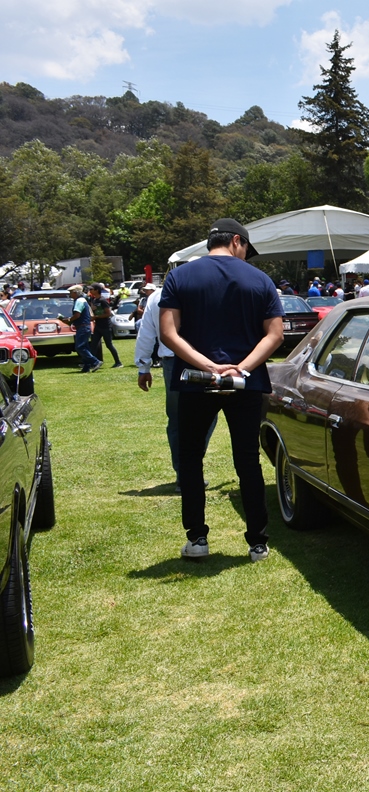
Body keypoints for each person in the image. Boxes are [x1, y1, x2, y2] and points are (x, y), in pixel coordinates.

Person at [159, 218, 284, 563]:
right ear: (236, 242)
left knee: (190, 458)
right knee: (247, 460)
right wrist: (241, 367)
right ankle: (258, 542)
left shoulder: (179, 276)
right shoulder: (260, 279)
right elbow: (274, 334)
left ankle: (197, 538)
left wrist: (208, 367)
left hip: (196, 382)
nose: (245, 255)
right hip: (245, 382)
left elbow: (168, 332)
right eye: (246, 248)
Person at [135, 284, 216, 491]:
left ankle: (186, 470)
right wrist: (143, 365)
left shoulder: (158, 296)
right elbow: (147, 331)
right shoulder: (205, 289)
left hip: (179, 362)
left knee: (181, 419)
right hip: (200, 360)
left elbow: (146, 332)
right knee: (201, 416)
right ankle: (187, 470)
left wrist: (143, 366)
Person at [58, 285, 102, 373]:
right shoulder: (82, 300)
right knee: (84, 346)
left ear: (76, 292)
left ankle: (95, 361)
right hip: (85, 326)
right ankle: (86, 367)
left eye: (71, 292)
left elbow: (77, 314)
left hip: (82, 326)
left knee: (80, 347)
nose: (70, 294)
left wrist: (70, 319)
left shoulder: (79, 301)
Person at [87, 283, 122, 367]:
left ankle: (118, 362)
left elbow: (108, 313)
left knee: (109, 345)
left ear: (96, 290)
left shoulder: (103, 300)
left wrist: (96, 317)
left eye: (91, 289)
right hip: (98, 326)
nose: (90, 291)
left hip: (105, 326)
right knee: (94, 345)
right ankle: (92, 363)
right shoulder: (94, 300)